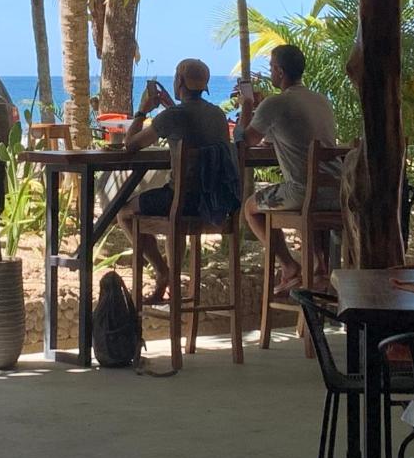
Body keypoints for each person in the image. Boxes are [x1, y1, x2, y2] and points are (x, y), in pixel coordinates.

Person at [117, 58, 231, 304]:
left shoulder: (172, 116)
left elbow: (130, 144)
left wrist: (142, 111)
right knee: (172, 210)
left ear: (179, 82)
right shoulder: (218, 115)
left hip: (183, 202)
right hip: (213, 204)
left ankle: (163, 272)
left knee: (124, 212)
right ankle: (170, 276)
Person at [235, 44, 337, 295]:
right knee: (303, 202)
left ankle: (290, 266)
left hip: (304, 192)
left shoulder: (276, 103)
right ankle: (319, 270)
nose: (270, 71)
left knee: (250, 208)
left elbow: (244, 141)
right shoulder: (321, 100)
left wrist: (247, 105)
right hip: (336, 190)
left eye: (271, 67)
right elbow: (281, 134)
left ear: (279, 71)